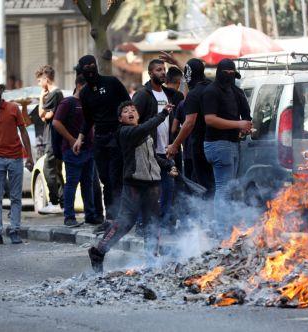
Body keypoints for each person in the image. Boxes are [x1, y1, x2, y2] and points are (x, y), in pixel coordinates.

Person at [88, 101, 175, 273]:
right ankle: (98, 252)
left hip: (152, 185)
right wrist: (163, 114)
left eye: (133, 110)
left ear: (138, 115)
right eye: (125, 111)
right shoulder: (125, 132)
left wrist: (167, 165)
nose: (130, 112)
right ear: (120, 119)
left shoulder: (143, 133)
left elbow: (152, 158)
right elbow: (144, 128)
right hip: (134, 184)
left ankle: (152, 260)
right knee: (125, 223)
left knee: (152, 223)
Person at [73, 55, 130, 223]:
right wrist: (80, 138)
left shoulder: (111, 82)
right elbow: (88, 119)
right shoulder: (85, 93)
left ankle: (120, 219)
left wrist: (129, 126)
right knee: (105, 179)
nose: (90, 69)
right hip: (99, 139)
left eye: (92, 65)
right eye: (86, 66)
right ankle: (110, 220)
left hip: (116, 136)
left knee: (115, 178)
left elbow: (128, 104)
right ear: (82, 69)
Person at [0, 79, 34, 245]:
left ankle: (15, 231)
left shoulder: (13, 108)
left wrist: (29, 156)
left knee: (15, 197)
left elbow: (23, 132)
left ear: (1, 90)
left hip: (16, 158)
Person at [202, 59, 252, 233]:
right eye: (227, 74)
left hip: (232, 144)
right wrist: (238, 125)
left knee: (229, 188)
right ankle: (222, 229)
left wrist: (246, 127)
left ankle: (227, 226)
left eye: (232, 74)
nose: (230, 78)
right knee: (223, 188)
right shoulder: (211, 91)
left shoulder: (236, 91)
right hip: (217, 144)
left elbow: (247, 116)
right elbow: (210, 119)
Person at [132, 59, 184, 230]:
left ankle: (164, 225)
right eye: (158, 70)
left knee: (169, 189)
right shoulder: (143, 95)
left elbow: (188, 85)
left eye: (164, 69)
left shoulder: (170, 94)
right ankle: (143, 224)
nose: (162, 72)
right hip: (149, 152)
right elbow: (135, 122)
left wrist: (176, 62)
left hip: (167, 151)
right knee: (149, 191)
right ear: (150, 73)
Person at [53, 75, 97, 227]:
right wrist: (72, 140)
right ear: (79, 86)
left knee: (88, 183)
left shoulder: (89, 104)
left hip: (89, 150)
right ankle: (69, 217)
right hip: (73, 152)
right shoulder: (68, 102)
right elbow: (56, 123)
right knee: (72, 183)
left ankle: (90, 215)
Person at [166, 58, 215, 193]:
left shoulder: (193, 94)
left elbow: (189, 123)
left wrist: (175, 145)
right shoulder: (212, 87)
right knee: (216, 185)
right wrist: (176, 61)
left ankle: (207, 213)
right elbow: (192, 71)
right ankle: (219, 212)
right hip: (215, 144)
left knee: (203, 186)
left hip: (199, 146)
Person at [36, 65, 64, 214]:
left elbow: (43, 115)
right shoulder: (57, 94)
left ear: (46, 79)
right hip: (54, 137)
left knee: (49, 168)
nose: (39, 84)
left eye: (40, 80)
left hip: (53, 137)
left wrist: (41, 97)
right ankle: (62, 202)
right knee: (56, 170)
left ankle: (55, 201)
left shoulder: (54, 94)